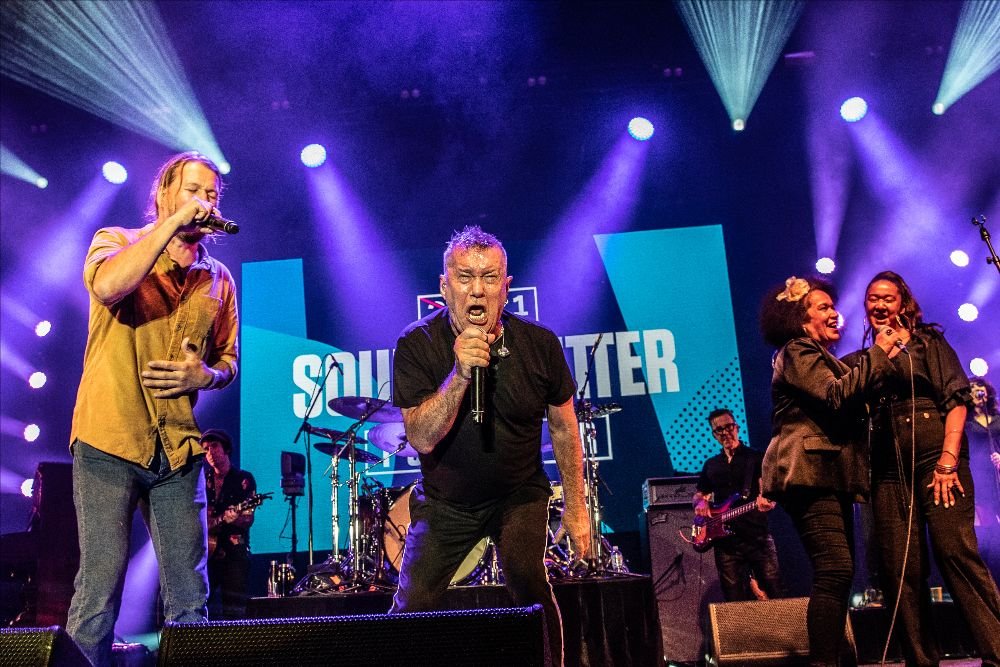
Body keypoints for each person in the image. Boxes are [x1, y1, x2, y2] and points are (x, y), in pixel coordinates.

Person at [66, 152, 239, 666]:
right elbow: (108, 286)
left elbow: (229, 360)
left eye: (211, 195)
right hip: (109, 437)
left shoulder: (219, 278)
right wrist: (167, 229)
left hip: (179, 447)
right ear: (163, 194)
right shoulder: (116, 241)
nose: (203, 202)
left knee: (190, 594)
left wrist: (204, 376)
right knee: (100, 585)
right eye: (192, 190)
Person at [390, 225, 590, 666]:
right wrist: (460, 374)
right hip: (446, 501)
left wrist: (577, 507)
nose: (476, 291)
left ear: (506, 287)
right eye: (464, 278)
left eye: (489, 278)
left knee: (530, 587)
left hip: (517, 493)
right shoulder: (416, 344)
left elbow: (563, 426)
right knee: (411, 604)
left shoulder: (539, 344)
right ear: (444, 287)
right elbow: (421, 437)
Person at [850, 271, 1000, 667]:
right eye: (872, 298)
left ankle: (998, 651)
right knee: (900, 568)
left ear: (904, 304)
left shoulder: (928, 342)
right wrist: (880, 355)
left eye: (888, 298)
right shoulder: (869, 356)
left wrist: (949, 460)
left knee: (956, 553)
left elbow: (957, 398)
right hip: (887, 470)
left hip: (937, 458)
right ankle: (921, 659)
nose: (879, 305)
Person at [759, 275, 902, 667]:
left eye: (832, 306)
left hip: (830, 473)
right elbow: (836, 395)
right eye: (822, 307)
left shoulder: (827, 359)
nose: (835, 313)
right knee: (835, 569)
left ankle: (832, 658)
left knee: (839, 573)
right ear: (800, 321)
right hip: (808, 472)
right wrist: (880, 352)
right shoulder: (797, 351)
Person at [693, 408, 783, 601]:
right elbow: (700, 494)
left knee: (774, 591)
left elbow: (769, 489)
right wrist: (700, 502)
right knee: (733, 598)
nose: (725, 432)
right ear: (714, 434)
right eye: (719, 430)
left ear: (737, 427)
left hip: (757, 536)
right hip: (726, 544)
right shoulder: (711, 464)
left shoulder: (756, 457)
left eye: (729, 426)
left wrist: (767, 500)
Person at [202, 429, 257, 620]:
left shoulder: (243, 479)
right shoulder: (202, 480)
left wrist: (235, 519)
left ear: (226, 449)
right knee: (199, 605)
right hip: (206, 554)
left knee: (234, 610)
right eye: (206, 449)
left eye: (214, 446)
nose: (210, 452)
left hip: (234, 553)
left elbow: (248, 519)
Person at [968, 377, 1000, 580]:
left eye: (981, 386)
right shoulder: (966, 422)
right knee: (985, 533)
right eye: (972, 387)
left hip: (997, 475)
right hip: (978, 478)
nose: (978, 390)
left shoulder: (998, 418)